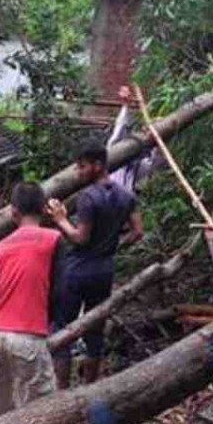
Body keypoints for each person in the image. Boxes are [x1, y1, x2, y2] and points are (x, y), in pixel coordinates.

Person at [47, 139, 144, 387]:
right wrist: (112, 247)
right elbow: (137, 232)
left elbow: (80, 237)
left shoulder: (88, 197)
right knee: (95, 330)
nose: (78, 172)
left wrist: (60, 219)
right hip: (104, 270)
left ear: (98, 165)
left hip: (77, 270)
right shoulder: (126, 196)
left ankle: (62, 392)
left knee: (62, 328)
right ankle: (89, 388)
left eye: (82, 166)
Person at [0, 182, 62, 422]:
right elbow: (59, 290)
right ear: (43, 209)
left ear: (13, 212)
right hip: (27, 334)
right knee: (40, 414)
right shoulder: (53, 240)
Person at [107, 85, 166, 194]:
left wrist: (157, 139)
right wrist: (126, 106)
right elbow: (120, 130)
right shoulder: (114, 153)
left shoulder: (135, 167)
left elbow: (150, 164)